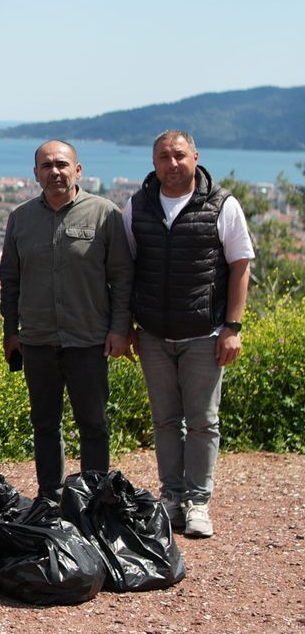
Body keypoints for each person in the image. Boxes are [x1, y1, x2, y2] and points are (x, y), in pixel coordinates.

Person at [124, 130, 254, 538]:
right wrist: (126, 325)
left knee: (202, 422)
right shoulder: (137, 206)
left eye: (179, 155)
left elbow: (240, 265)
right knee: (165, 421)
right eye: (164, 156)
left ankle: (198, 501)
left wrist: (232, 327)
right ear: (154, 162)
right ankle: (171, 497)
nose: (172, 163)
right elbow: (126, 267)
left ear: (195, 157)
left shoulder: (222, 204)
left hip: (204, 333)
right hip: (152, 333)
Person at [0, 139, 133, 502]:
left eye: (61, 164)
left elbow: (122, 277)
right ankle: (50, 496)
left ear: (78, 170)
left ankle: (94, 498)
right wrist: (10, 331)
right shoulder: (21, 218)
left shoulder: (105, 214)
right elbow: (10, 280)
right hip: (38, 340)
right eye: (47, 166)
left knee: (94, 424)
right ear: (36, 173)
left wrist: (119, 329)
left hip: (88, 339)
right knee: (44, 424)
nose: (55, 172)